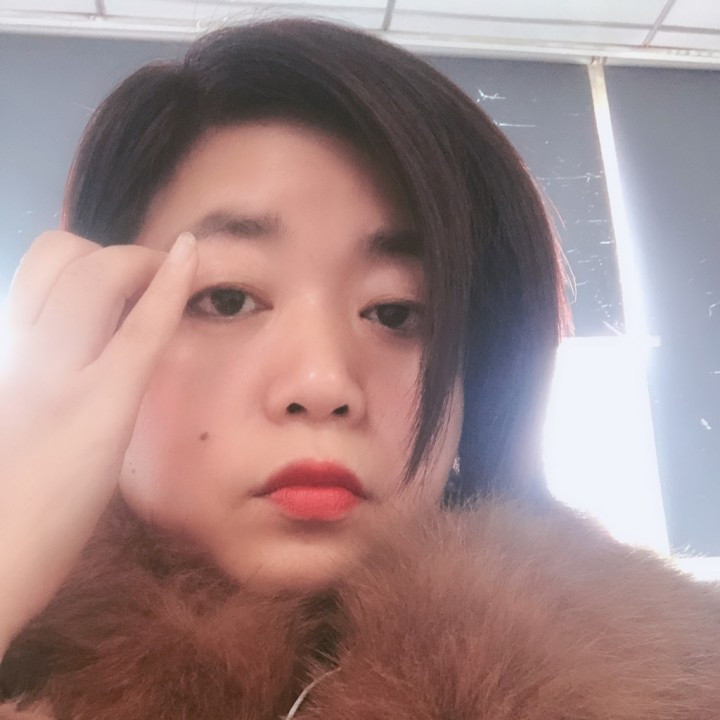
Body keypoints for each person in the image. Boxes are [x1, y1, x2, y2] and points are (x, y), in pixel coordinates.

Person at [0, 18, 718, 720]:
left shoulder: (673, 685)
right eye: (227, 299)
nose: (322, 384)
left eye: (396, 313)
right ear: (94, 333)